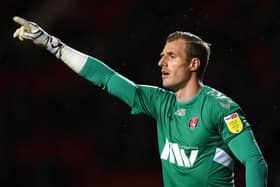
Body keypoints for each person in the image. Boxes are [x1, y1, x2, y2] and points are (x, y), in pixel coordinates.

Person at [12, 16, 268, 187]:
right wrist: (51, 44)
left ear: (193, 64)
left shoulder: (220, 109)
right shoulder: (160, 102)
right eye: (161, 55)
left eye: (171, 56)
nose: (161, 62)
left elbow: (255, 162)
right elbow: (107, 78)